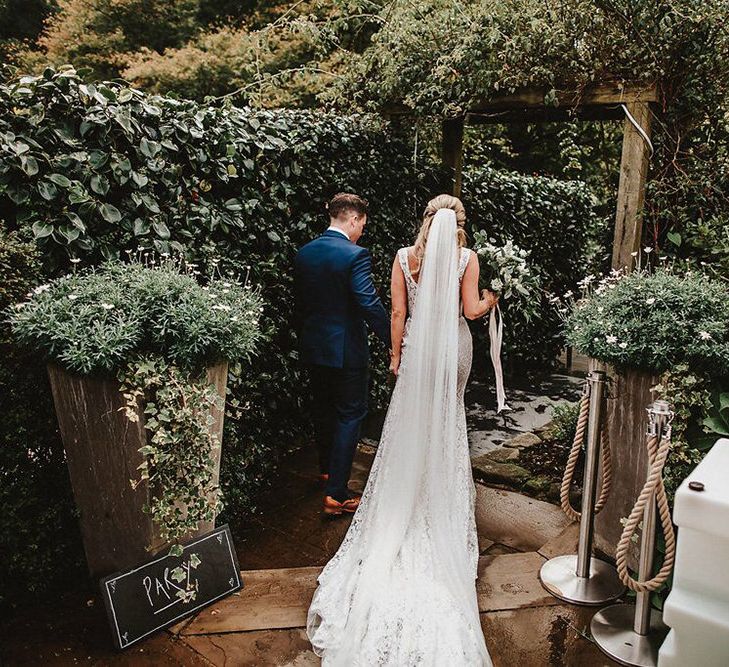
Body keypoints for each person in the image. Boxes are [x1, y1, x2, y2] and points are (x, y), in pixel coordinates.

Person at [306, 194, 498, 666]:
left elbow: (397, 314)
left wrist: (395, 356)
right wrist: (496, 294)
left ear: (426, 220)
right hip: (452, 351)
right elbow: (471, 310)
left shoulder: (402, 258)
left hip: (415, 353)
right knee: (447, 417)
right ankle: (440, 493)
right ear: (459, 224)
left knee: (409, 422)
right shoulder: (467, 258)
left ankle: (404, 495)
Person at [294, 192, 391, 516]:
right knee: (351, 414)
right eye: (362, 224)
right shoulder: (355, 255)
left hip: (313, 345)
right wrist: (393, 338)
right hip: (346, 350)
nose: (362, 230)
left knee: (322, 409)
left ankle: (326, 470)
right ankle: (337, 493)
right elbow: (368, 303)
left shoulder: (305, 252)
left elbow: (302, 304)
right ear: (352, 219)